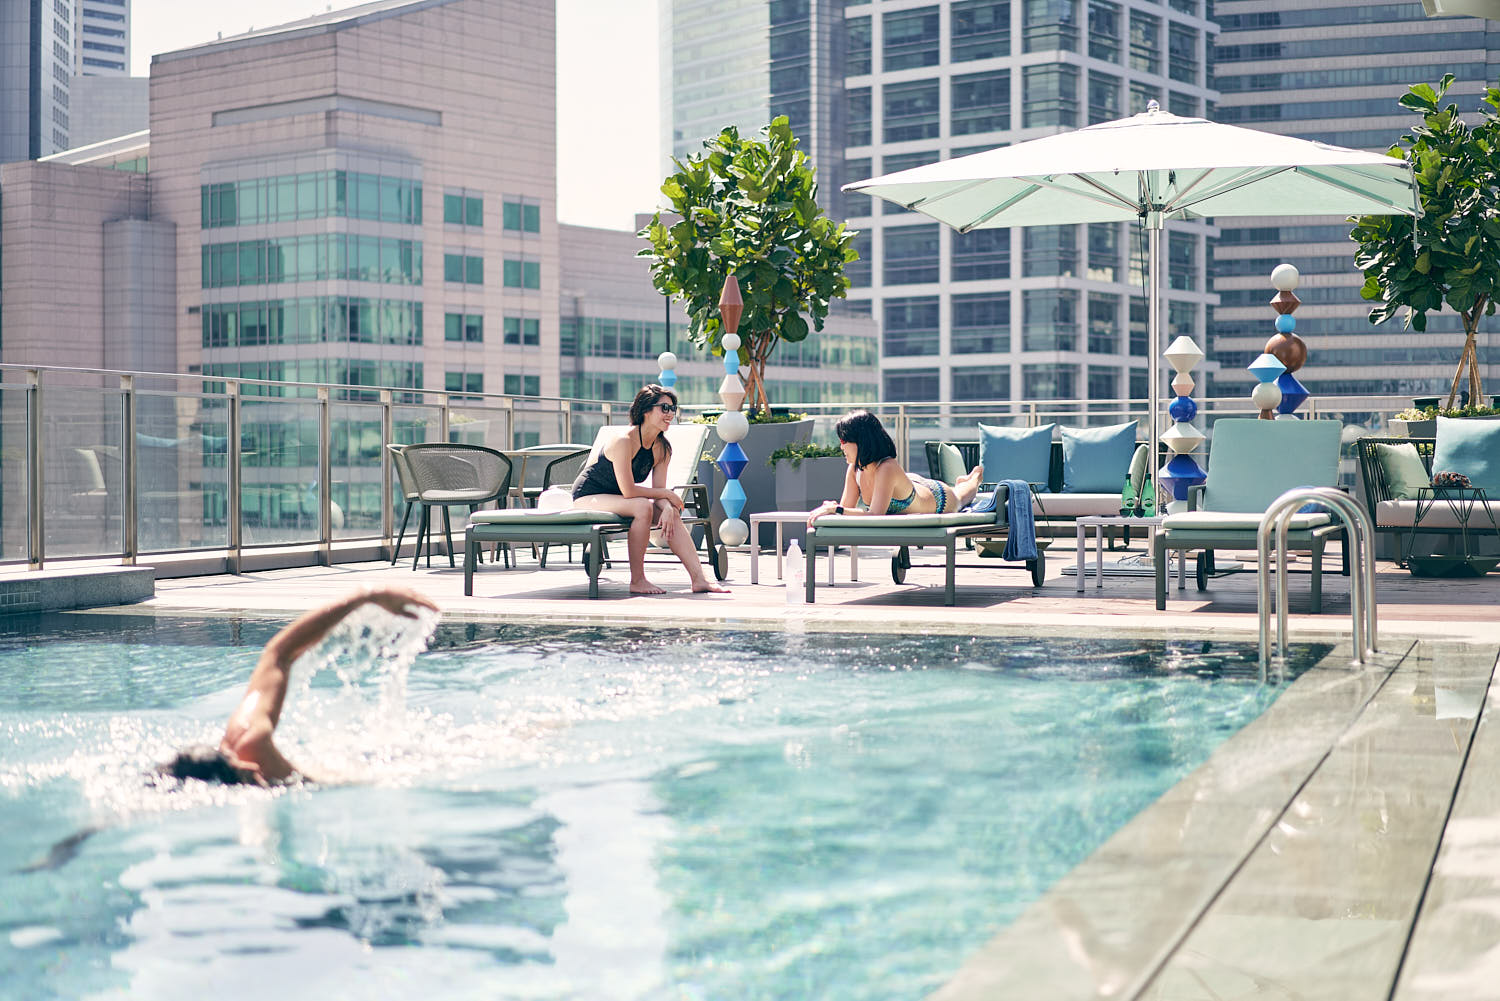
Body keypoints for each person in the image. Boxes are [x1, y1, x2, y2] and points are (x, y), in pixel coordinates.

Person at [157, 586, 439, 787]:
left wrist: (364, 598)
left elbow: (279, 652)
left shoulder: (248, 739)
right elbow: (278, 652)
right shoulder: (245, 739)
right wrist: (366, 596)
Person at [571, 384, 730, 596]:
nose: (670, 413)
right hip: (589, 495)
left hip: (619, 497)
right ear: (645, 410)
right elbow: (629, 491)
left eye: (673, 408)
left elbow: (658, 490)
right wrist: (665, 495)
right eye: (664, 408)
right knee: (642, 506)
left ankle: (699, 579)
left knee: (669, 513)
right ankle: (638, 580)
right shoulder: (623, 441)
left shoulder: (662, 448)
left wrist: (667, 507)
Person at [807, 410, 984, 526]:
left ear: (861, 441)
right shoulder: (855, 470)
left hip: (939, 498)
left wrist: (835, 509)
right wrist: (833, 508)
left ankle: (974, 477)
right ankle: (965, 480)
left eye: (844, 441)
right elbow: (845, 511)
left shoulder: (887, 467)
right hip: (909, 484)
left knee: (962, 495)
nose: (841, 447)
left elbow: (876, 514)